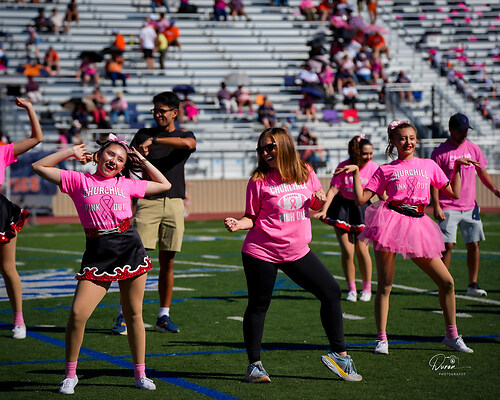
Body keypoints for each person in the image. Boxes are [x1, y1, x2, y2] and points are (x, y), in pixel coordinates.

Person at [32, 134, 171, 394]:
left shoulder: (127, 183)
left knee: (134, 314)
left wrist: (140, 160)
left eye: (120, 159)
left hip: (129, 248)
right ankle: (70, 375)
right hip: (97, 251)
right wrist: (70, 152)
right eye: (110, 154)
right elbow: (38, 166)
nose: (114, 161)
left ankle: (140, 373)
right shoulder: (78, 180)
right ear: (99, 155)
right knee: (77, 314)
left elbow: (164, 184)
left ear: (123, 166)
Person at [224, 127, 362, 383]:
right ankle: (254, 366)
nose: (265, 153)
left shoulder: (305, 171)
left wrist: (319, 199)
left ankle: (340, 356)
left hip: (297, 251)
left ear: (285, 145)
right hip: (261, 251)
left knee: (331, 292)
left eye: (270, 147)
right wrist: (238, 224)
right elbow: (251, 216)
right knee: (258, 305)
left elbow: (314, 206)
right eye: (261, 149)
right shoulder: (258, 179)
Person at [337, 120, 475, 355]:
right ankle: (382, 339)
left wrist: (457, 168)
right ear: (393, 142)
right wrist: (357, 173)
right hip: (390, 223)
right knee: (385, 285)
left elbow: (454, 192)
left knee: (447, 282)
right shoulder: (385, 169)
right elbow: (361, 199)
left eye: (411, 138)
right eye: (402, 138)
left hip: (419, 224)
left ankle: (452, 335)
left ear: (417, 140)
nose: (407, 142)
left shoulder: (429, 165)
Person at [111, 91, 196, 335]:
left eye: (162, 111)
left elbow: (189, 144)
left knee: (168, 262)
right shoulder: (142, 134)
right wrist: (139, 157)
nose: (157, 115)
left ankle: (163, 316)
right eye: (155, 110)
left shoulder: (183, 135)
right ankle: (124, 314)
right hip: (148, 201)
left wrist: (156, 141)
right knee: (136, 260)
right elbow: (128, 166)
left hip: (175, 203)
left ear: (175, 113)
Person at [431, 113, 500, 297]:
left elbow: (482, 172)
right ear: (451, 130)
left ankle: (472, 285)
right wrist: (436, 205)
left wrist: (494, 190)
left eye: (466, 130)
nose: (464, 134)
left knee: (473, 244)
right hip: (447, 205)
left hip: (470, 206)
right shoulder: (440, 152)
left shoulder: (473, 148)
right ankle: (443, 284)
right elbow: (434, 181)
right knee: (447, 245)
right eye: (460, 130)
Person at [314, 135, 380, 302]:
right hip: (342, 209)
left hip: (362, 210)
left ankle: (367, 288)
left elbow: (381, 192)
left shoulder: (373, 168)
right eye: (365, 154)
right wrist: (324, 210)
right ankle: (351, 289)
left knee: (362, 250)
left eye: (371, 153)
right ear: (357, 152)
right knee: (347, 251)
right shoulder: (343, 166)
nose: (369, 157)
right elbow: (333, 190)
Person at [0, 97, 43, 340]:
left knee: (8, 268)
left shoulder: (3, 151)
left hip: (0, 212)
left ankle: (19, 321)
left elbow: (37, 138)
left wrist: (29, 108)